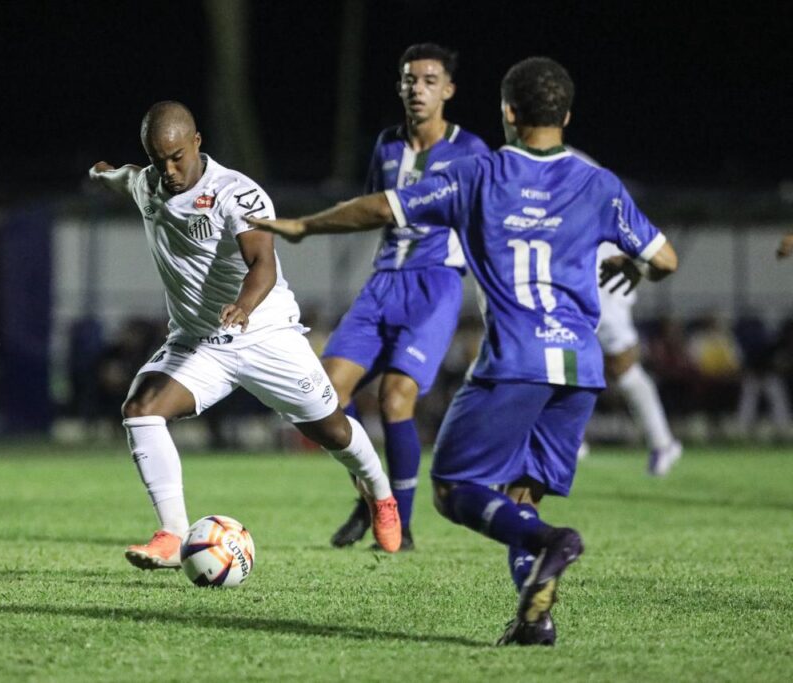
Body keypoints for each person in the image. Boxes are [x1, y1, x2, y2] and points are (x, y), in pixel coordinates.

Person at [248, 57, 678, 645]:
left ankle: (554, 543)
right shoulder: (599, 184)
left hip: (515, 362)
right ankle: (536, 619)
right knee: (519, 497)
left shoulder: (479, 173)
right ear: (568, 116)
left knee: (453, 489)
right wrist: (632, 263)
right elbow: (665, 260)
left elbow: (383, 207)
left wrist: (302, 227)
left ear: (507, 113)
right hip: (579, 368)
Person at [89, 101, 402, 571]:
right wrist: (102, 174)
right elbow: (123, 177)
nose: (170, 170)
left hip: (264, 334)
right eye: (159, 160)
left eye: (177, 157)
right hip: (199, 343)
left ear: (197, 142)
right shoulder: (147, 183)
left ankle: (379, 491)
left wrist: (244, 306)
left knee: (330, 428)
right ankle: (173, 536)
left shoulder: (237, 193)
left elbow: (263, 264)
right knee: (140, 410)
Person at [326, 43, 489, 551]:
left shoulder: (472, 152)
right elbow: (377, 208)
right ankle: (374, 496)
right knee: (324, 393)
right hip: (382, 283)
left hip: (434, 282)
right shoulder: (386, 146)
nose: (417, 88)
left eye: (429, 79)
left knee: (397, 399)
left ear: (448, 90)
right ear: (400, 87)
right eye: (409, 79)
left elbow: (487, 223)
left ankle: (403, 527)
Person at [590, 243, 682, 475]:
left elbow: (656, 251)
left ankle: (662, 443)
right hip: (567, 274)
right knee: (555, 354)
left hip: (606, 284)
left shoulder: (613, 207)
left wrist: (637, 263)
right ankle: (561, 440)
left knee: (622, 367)